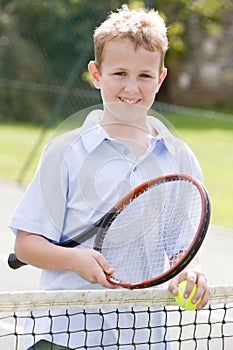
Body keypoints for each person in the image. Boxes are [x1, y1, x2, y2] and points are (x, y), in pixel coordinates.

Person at [9, 4, 210, 349]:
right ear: (96, 73)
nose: (131, 87)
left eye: (145, 76)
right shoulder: (65, 152)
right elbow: (26, 246)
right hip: (63, 334)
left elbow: (180, 252)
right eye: (119, 73)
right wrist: (73, 259)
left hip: (142, 336)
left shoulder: (180, 158)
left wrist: (188, 277)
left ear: (160, 79)